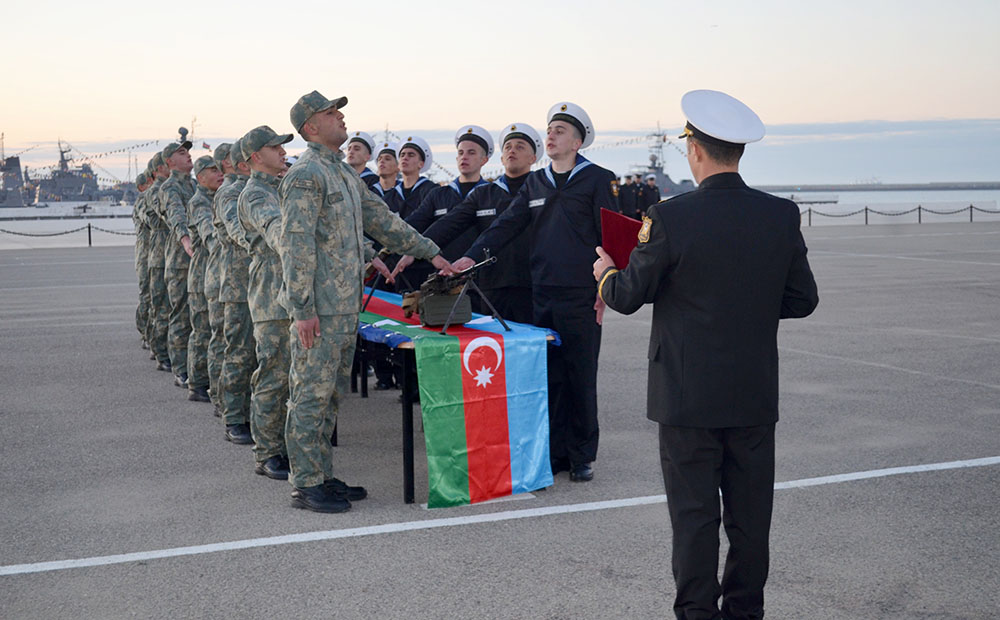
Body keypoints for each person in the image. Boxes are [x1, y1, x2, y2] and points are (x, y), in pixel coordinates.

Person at [593, 89, 819, 620]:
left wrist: (604, 272)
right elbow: (802, 300)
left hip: (686, 396)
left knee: (694, 519)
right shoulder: (780, 216)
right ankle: (745, 612)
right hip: (752, 393)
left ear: (693, 149)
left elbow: (626, 297)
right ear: (737, 152)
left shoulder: (671, 216)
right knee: (749, 518)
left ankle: (697, 614)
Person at [279, 90, 452, 513]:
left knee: (331, 394)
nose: (341, 118)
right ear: (311, 127)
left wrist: (431, 251)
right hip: (317, 310)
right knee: (309, 394)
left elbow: (382, 221)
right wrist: (301, 310)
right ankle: (305, 483)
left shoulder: (342, 173)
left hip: (342, 306)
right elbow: (295, 246)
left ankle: (321, 473)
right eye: (331, 113)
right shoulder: (305, 175)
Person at [454, 102, 617, 483]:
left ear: (577, 142)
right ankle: (556, 451)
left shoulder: (597, 179)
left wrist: (607, 288)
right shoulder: (536, 183)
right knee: (549, 376)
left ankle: (581, 455)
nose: (552, 134)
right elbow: (505, 226)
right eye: (551, 129)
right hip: (542, 293)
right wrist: (469, 257)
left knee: (580, 375)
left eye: (561, 130)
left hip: (580, 294)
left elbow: (612, 237)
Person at [394, 122, 542, 323]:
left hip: (535, 283)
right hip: (493, 286)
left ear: (533, 158)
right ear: (501, 157)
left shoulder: (541, 190)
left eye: (520, 147)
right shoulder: (484, 194)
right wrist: (417, 248)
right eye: (508, 147)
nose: (512, 151)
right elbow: (449, 224)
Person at [236, 125, 294, 480]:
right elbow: (277, 232)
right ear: (257, 157)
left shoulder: (282, 188)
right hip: (272, 298)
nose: (283, 152)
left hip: (293, 294)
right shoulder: (255, 195)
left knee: (290, 378)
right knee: (273, 375)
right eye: (276, 148)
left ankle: (283, 445)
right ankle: (267, 452)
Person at [397, 125, 492, 294]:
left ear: (484, 160)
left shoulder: (492, 194)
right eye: (461, 153)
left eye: (471, 153)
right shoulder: (438, 194)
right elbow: (415, 222)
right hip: (442, 277)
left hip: (482, 279)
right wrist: (413, 248)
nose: (464, 157)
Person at [215, 138, 256, 445]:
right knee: (239, 353)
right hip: (240, 286)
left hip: (264, 285)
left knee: (260, 356)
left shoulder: (261, 189)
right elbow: (237, 230)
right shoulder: (229, 193)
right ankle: (234, 417)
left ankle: (255, 414)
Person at [184, 155, 223, 402]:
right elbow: (210, 235)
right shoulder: (199, 202)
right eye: (212, 170)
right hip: (202, 275)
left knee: (213, 330)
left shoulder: (219, 198)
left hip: (217, 272)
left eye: (220, 169)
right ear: (200, 178)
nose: (219, 173)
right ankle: (197, 384)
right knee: (202, 331)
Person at [160, 140, 196, 389]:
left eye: (189, 152)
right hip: (181, 262)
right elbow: (175, 213)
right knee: (181, 315)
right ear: (170, 162)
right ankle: (180, 369)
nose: (188, 156)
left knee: (197, 318)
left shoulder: (194, 185)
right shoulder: (170, 187)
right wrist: (185, 239)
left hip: (201, 261)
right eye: (181, 153)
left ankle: (195, 369)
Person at [204, 143, 235, 414]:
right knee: (224, 342)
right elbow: (211, 238)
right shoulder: (225, 195)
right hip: (223, 279)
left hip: (240, 280)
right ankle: (220, 398)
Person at [144, 153, 172, 371]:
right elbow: (166, 215)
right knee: (161, 304)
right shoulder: (155, 191)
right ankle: (161, 352)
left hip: (174, 254)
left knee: (174, 306)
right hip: (160, 255)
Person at [132, 172, 152, 348]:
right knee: (146, 293)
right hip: (145, 254)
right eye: (149, 182)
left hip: (154, 252)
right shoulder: (142, 202)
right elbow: (151, 220)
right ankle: (145, 331)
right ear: (141, 187)